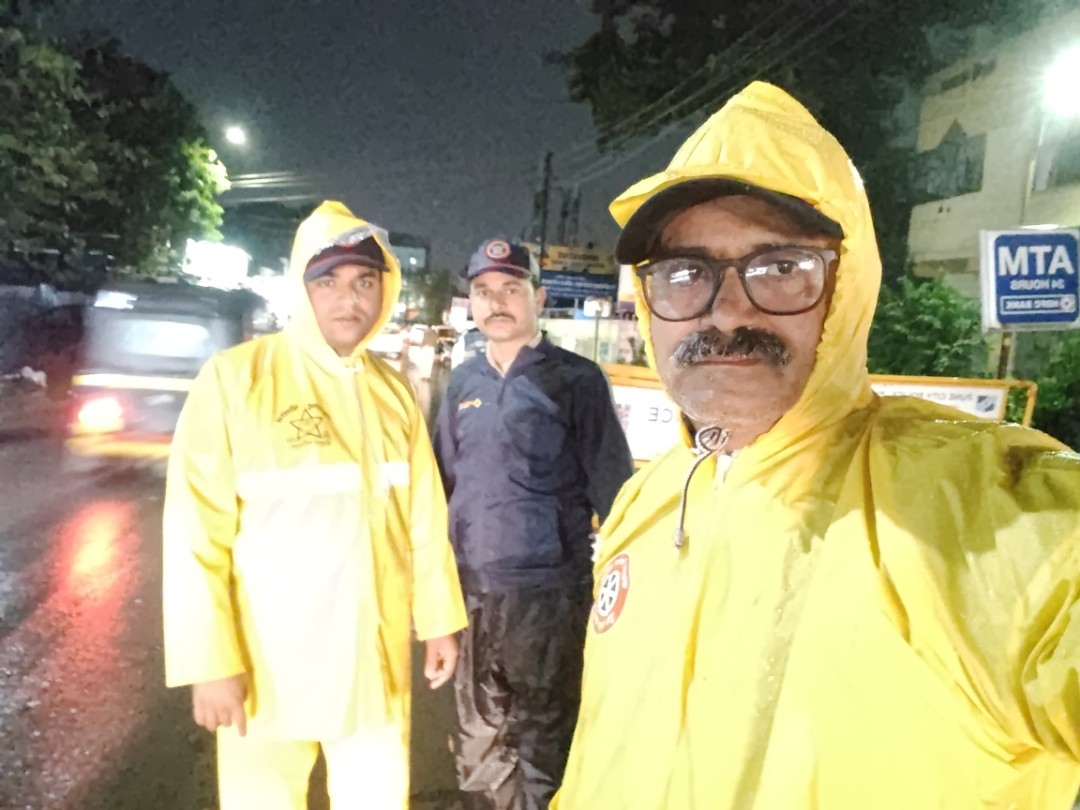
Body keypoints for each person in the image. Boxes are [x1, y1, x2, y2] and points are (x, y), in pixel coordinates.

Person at [553, 81, 1080, 809]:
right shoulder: (644, 505)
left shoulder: (980, 510)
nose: (725, 311)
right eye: (685, 273)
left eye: (779, 267)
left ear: (848, 287)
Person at [162, 201, 466, 810]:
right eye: (328, 281)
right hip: (269, 666)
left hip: (374, 661)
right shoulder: (236, 379)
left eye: (365, 282)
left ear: (385, 290)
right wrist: (209, 661)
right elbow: (196, 532)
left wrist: (438, 620)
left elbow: (425, 522)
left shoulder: (393, 392)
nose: (349, 299)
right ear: (301, 288)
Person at [433, 238, 634, 810]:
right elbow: (439, 489)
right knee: (477, 742)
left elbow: (616, 492)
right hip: (472, 593)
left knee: (543, 742)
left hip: (549, 597)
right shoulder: (462, 385)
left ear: (538, 298)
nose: (496, 302)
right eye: (483, 291)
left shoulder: (576, 380)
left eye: (511, 289)